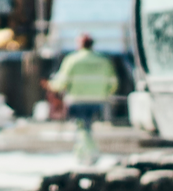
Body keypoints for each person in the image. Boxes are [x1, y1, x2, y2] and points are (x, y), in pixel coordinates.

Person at [48, 34, 119, 164]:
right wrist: (105, 93)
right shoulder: (103, 60)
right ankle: (81, 153)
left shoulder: (72, 60)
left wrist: (52, 85)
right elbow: (113, 82)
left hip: (77, 100)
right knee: (86, 126)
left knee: (82, 127)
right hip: (98, 100)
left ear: (79, 44)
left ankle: (91, 152)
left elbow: (61, 82)